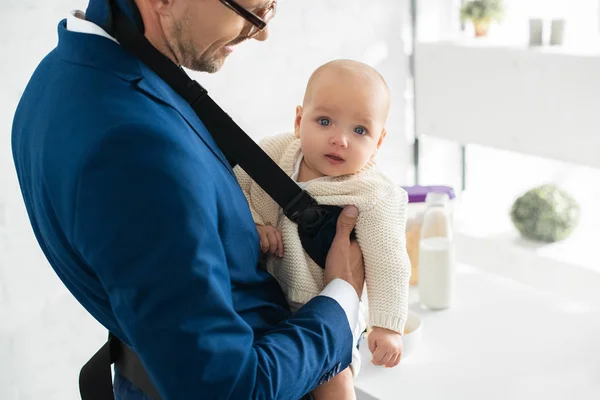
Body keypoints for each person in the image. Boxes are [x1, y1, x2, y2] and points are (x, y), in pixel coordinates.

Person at [11, 0, 367, 398]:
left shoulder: (61, 73)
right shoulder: (134, 146)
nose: (262, 31)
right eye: (252, 10)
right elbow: (229, 389)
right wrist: (341, 297)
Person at [235, 59, 410, 399]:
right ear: (300, 121)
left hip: (323, 310)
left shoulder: (373, 194)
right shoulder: (275, 152)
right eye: (325, 121)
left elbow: (390, 263)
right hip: (263, 297)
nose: (340, 139)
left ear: (379, 141)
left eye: (360, 130)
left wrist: (389, 326)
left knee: (333, 377)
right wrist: (252, 222)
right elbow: (234, 186)